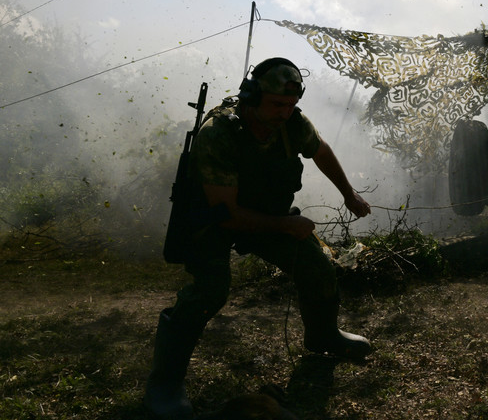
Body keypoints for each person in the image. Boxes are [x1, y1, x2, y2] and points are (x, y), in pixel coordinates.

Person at [144, 57, 372, 419]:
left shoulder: (290, 122)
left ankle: (323, 336)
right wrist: (285, 226)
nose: (285, 113)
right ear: (252, 97)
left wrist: (348, 193)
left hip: (263, 213)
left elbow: (320, 149)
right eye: (277, 105)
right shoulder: (219, 133)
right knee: (209, 291)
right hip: (213, 220)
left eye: (291, 105)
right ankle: (165, 383)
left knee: (315, 265)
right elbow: (229, 214)